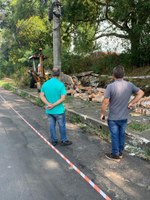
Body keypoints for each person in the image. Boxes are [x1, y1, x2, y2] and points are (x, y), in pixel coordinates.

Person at [100, 66, 144, 162]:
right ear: (123, 75)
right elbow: (141, 93)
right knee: (122, 135)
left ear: (113, 75)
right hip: (124, 116)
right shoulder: (129, 85)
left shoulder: (110, 87)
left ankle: (115, 155)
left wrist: (102, 113)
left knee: (115, 135)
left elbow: (105, 102)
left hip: (113, 117)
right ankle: (120, 152)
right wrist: (132, 103)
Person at [40, 67, 72, 146]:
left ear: (51, 74)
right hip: (59, 110)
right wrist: (53, 105)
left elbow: (41, 96)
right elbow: (63, 98)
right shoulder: (60, 85)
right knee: (62, 126)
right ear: (59, 74)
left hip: (49, 110)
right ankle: (64, 140)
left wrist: (48, 104)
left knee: (51, 125)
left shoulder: (45, 84)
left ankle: (54, 140)